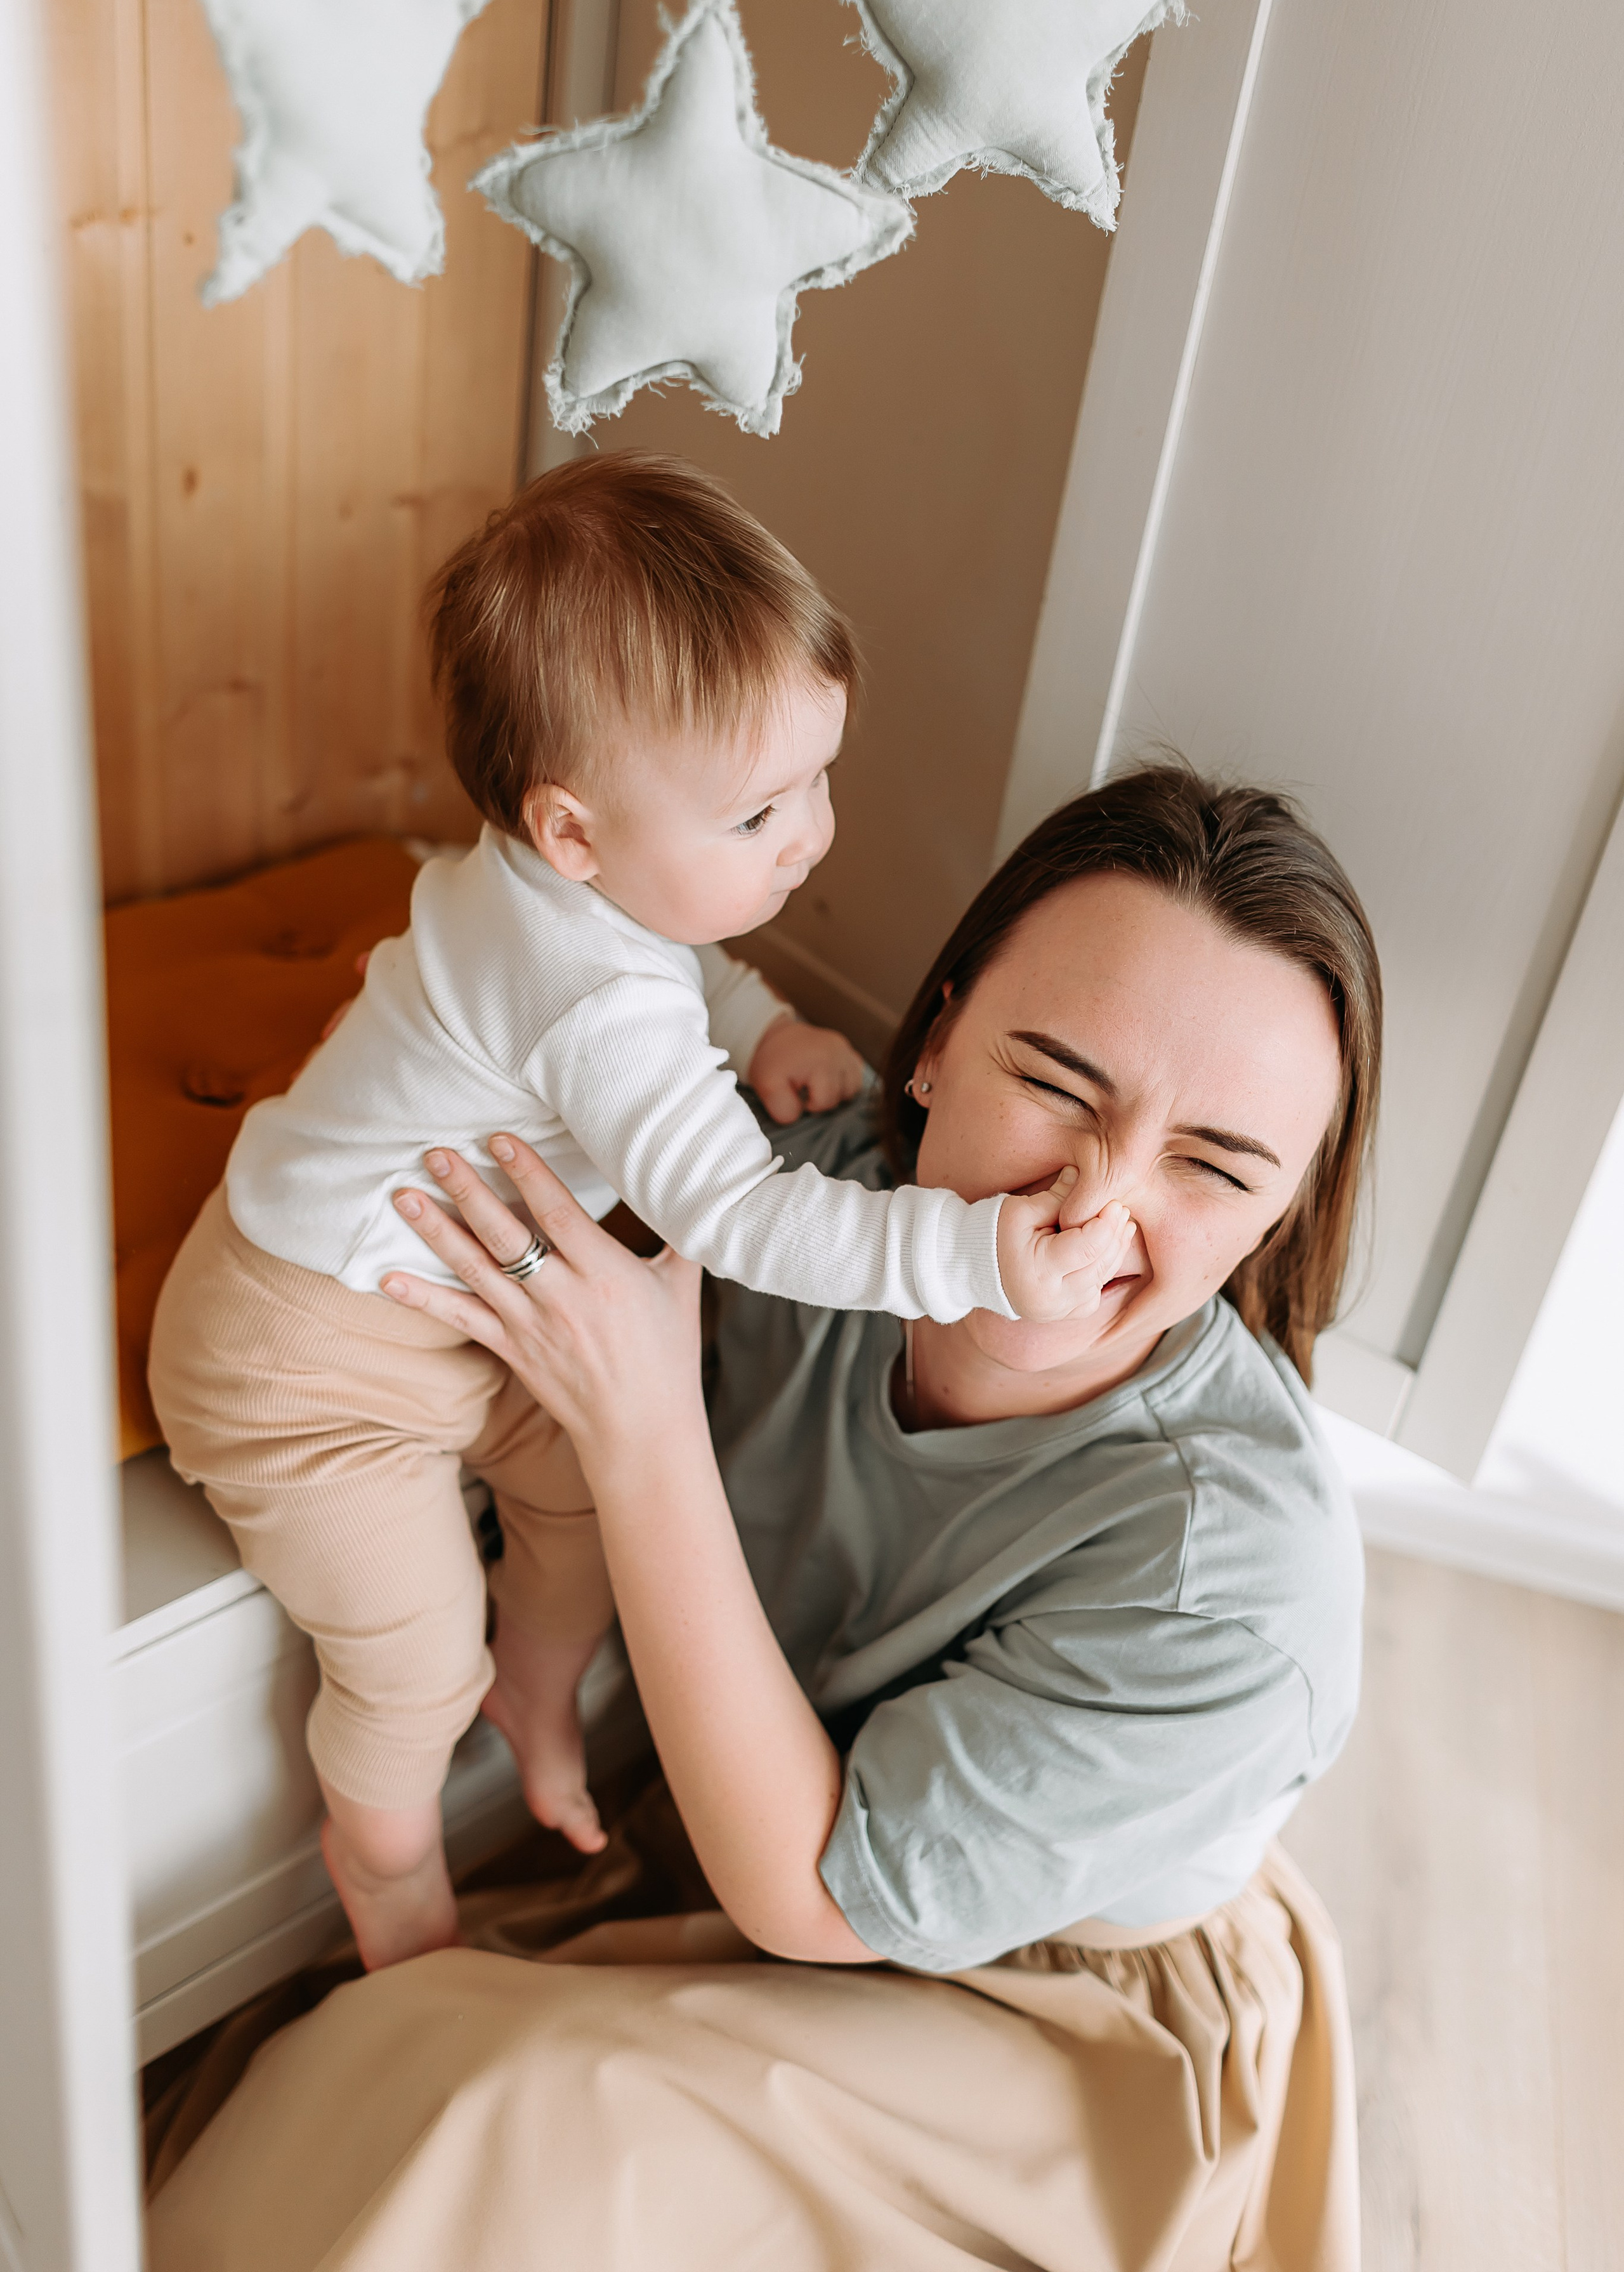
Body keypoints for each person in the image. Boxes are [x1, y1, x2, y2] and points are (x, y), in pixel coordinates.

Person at [146, 765, 1376, 2272]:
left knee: (508, 2116)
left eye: (1213, 1165)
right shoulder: (802, 1197)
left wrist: (643, 1422)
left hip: (1043, 1989)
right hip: (776, 1824)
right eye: (1054, 1084)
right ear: (932, 1043)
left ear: (1279, 1210)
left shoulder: (1231, 1587)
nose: (1090, 1206)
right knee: (362, 2068)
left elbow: (811, 1890)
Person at [147, 454, 1129, 1974]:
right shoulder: (589, 997)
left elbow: (669, 962)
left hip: (456, 1317)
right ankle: (388, 1857)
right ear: (573, 834)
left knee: (584, 1520)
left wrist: (761, 1021)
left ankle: (534, 1695)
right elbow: (737, 1212)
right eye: (757, 810)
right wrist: (967, 1252)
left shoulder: (558, 896)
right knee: (411, 1659)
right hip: (306, 1363)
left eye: (814, 776)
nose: (806, 834)